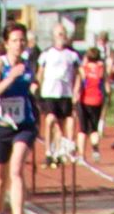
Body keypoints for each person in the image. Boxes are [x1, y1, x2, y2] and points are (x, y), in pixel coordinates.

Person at [0, 22, 39, 214]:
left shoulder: (27, 65)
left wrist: (36, 87)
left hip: (24, 126)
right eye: (14, 40)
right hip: (0, 126)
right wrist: (11, 78)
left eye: (22, 40)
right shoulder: (0, 65)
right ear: (6, 43)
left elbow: (31, 87)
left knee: (16, 170)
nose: (19, 44)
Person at [38, 21, 79, 163]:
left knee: (61, 123)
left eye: (64, 34)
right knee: (50, 120)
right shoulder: (46, 53)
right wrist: (38, 87)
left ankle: (58, 150)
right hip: (49, 93)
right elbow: (40, 73)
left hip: (65, 93)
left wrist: (76, 90)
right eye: (60, 34)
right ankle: (48, 151)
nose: (62, 36)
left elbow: (77, 74)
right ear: (54, 36)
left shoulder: (72, 55)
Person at [73, 38, 108, 168]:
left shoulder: (83, 69)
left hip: (84, 100)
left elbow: (79, 84)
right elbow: (105, 85)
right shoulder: (101, 69)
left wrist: (75, 94)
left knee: (82, 128)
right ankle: (95, 148)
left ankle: (81, 155)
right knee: (93, 127)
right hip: (97, 100)